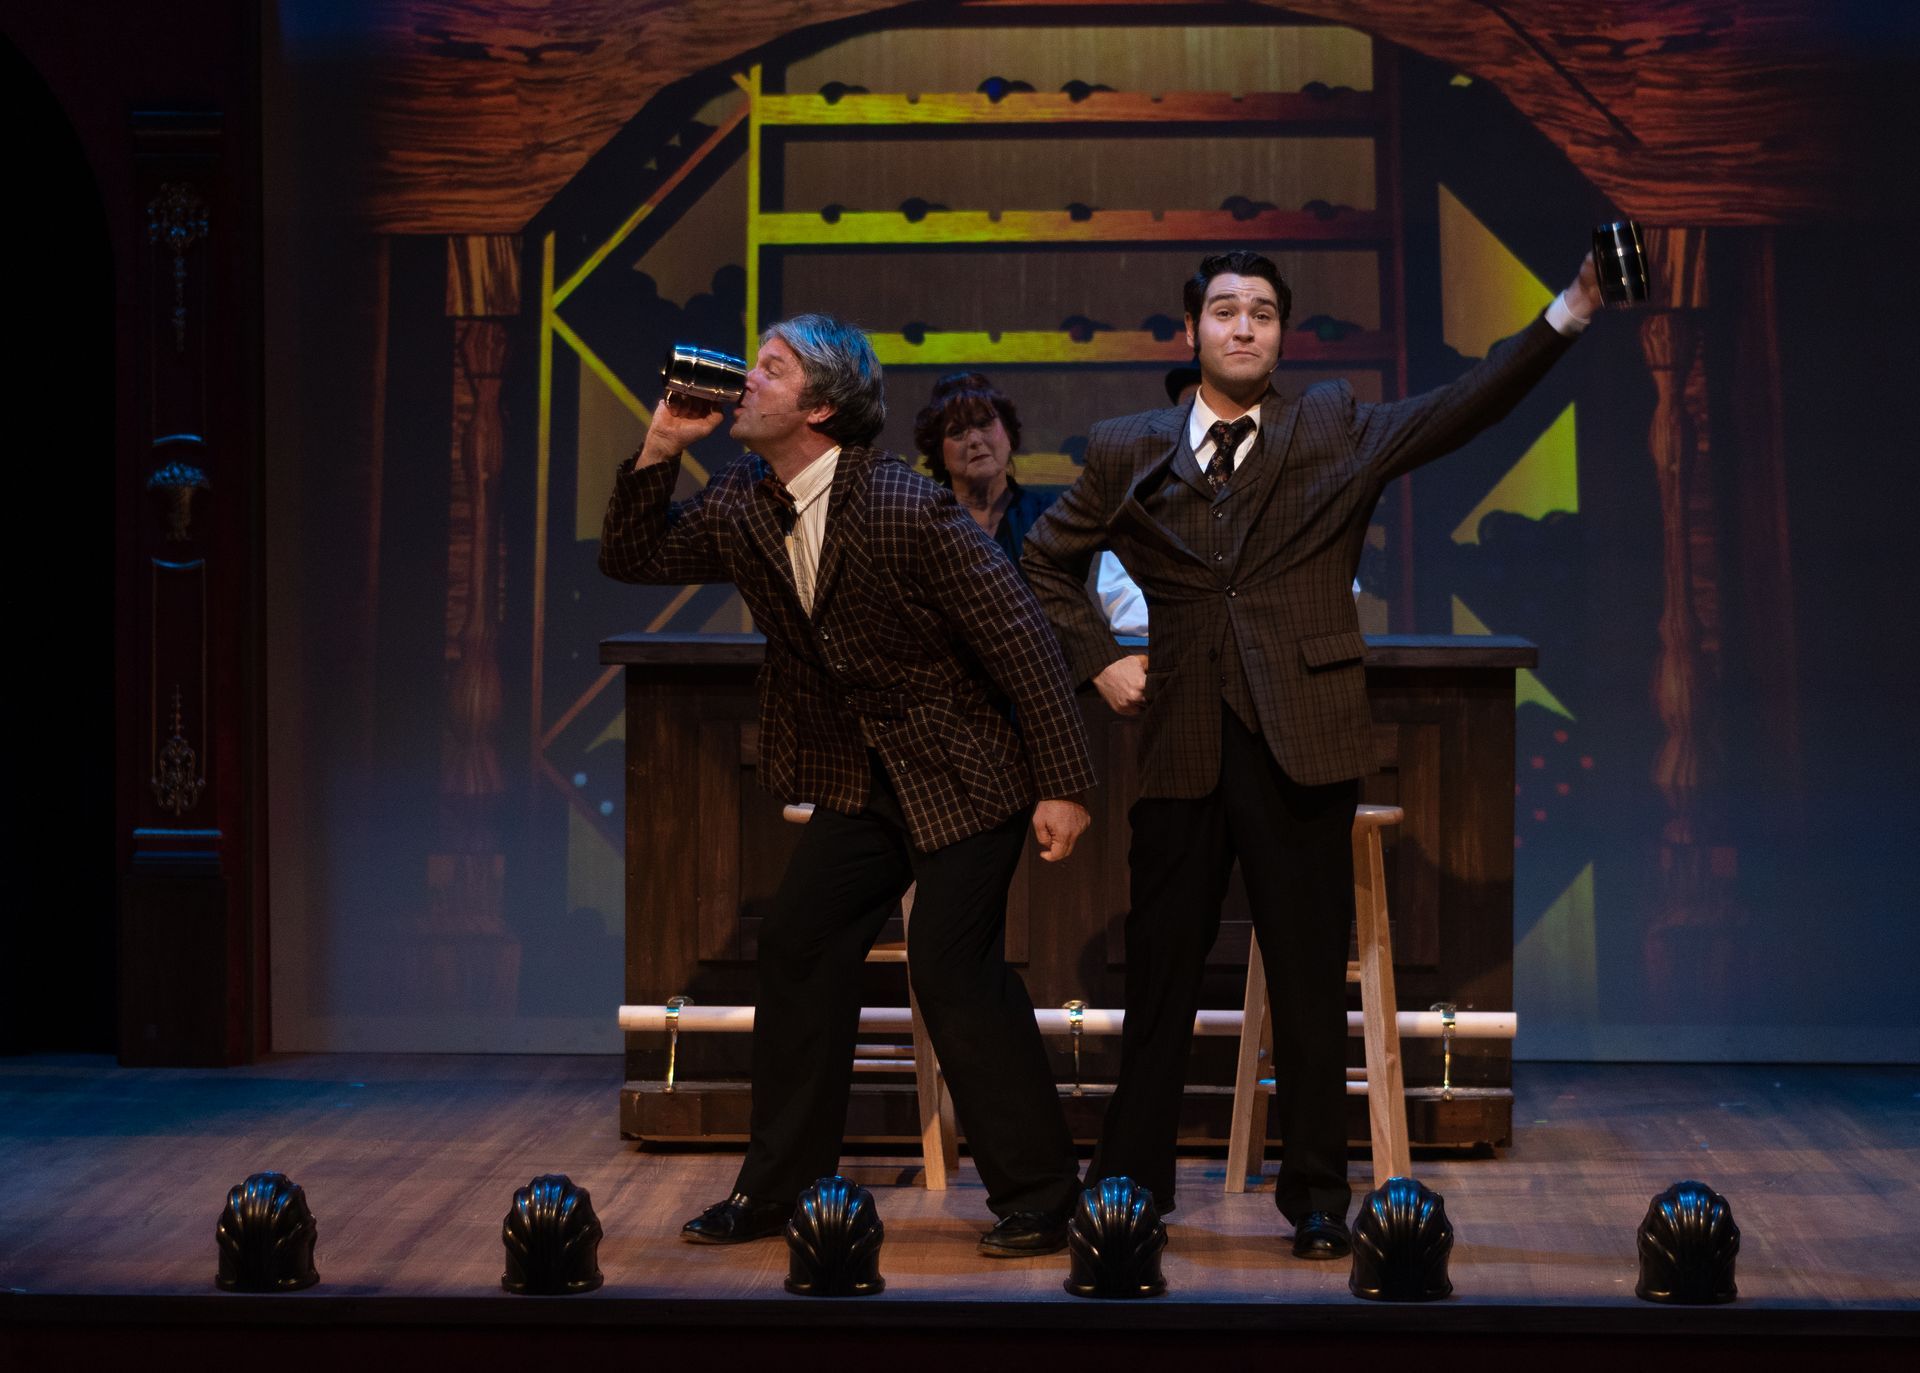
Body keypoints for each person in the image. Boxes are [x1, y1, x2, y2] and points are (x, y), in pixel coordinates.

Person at [1023, 248, 1602, 1258]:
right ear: (1192, 331)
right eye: (1224, 311)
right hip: (1182, 742)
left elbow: (1466, 405)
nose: (1243, 327)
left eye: (1261, 314)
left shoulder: (1331, 424)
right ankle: (1128, 1183)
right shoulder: (1131, 447)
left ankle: (1319, 1194)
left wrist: (1573, 308)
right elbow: (1043, 563)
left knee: (1302, 975)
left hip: (1303, 737)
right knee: (1161, 971)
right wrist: (1102, 661)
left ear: (1282, 335)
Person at [601, 314, 1095, 1257]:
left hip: (964, 775)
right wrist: (663, 442)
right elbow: (634, 555)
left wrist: (1063, 784)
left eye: (770, 368)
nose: (745, 379)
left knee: (951, 968)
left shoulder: (907, 506)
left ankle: (1041, 1193)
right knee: (795, 943)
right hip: (865, 780)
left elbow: (1025, 641)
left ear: (820, 404)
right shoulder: (749, 499)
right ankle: (780, 1186)